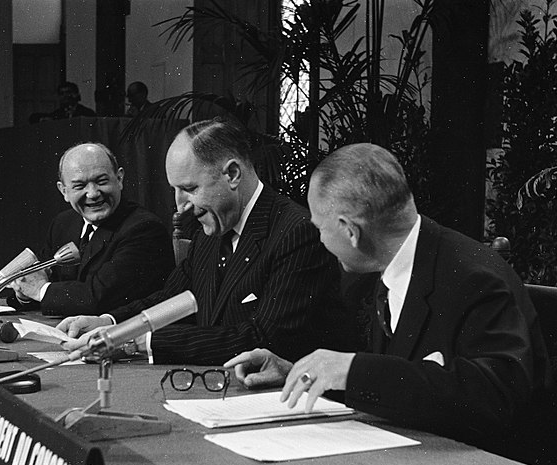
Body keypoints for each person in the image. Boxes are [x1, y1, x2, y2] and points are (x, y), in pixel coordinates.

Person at [224, 143, 549, 454]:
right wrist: (303, 373)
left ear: (350, 231)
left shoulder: (473, 277)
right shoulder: (391, 266)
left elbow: (495, 397)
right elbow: (404, 383)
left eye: (320, 228)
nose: (319, 239)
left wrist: (354, 370)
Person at [57, 117, 355, 365]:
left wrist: (135, 342)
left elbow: (263, 339)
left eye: (189, 188)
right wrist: (110, 324)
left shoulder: (296, 232)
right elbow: (170, 299)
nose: (181, 206)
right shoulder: (210, 231)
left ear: (233, 175)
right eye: (175, 190)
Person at [8, 143, 174, 316]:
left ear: (119, 179)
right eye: (79, 186)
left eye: (101, 181)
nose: (93, 193)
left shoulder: (144, 229)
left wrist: (39, 289)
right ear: (64, 191)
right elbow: (44, 284)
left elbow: (98, 299)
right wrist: (24, 293)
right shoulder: (63, 223)